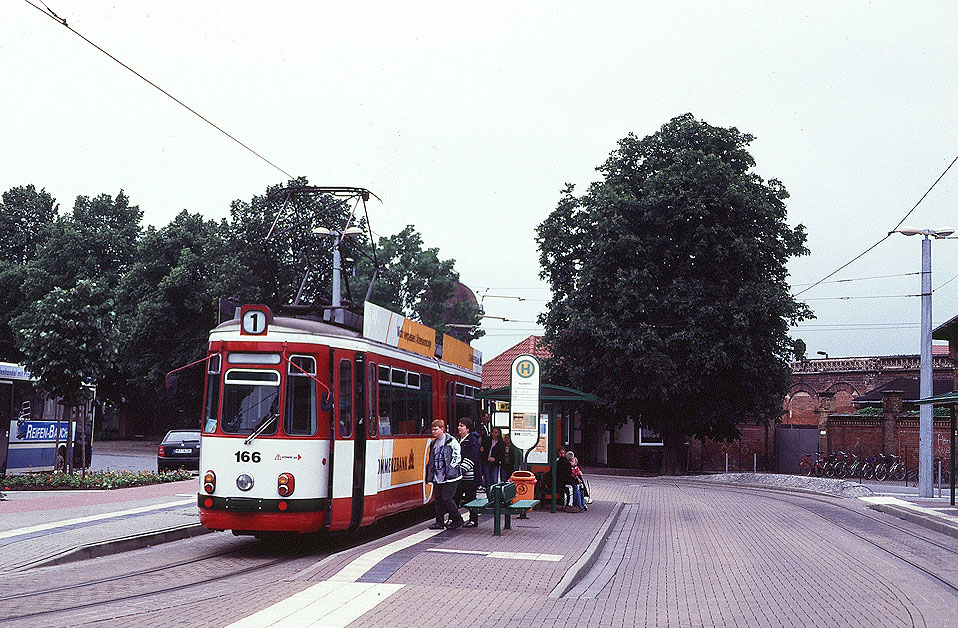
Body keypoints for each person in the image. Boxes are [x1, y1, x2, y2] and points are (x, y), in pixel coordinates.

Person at [425, 419, 464, 529]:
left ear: (442, 429)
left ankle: (457, 519)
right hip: (438, 476)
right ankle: (439, 522)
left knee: (447, 498)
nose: (434, 432)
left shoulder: (451, 441)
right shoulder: (433, 443)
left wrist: (451, 469)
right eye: (432, 429)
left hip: (450, 477)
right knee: (438, 500)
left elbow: (457, 457)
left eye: (436, 429)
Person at [456, 417, 482, 527]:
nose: (459, 428)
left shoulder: (472, 441)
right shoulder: (457, 440)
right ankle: (455, 518)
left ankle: (473, 520)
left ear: (468, 429)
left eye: (462, 426)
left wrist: (460, 470)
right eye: (459, 425)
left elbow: (472, 458)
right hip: (458, 477)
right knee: (455, 497)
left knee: (471, 498)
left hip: (470, 477)